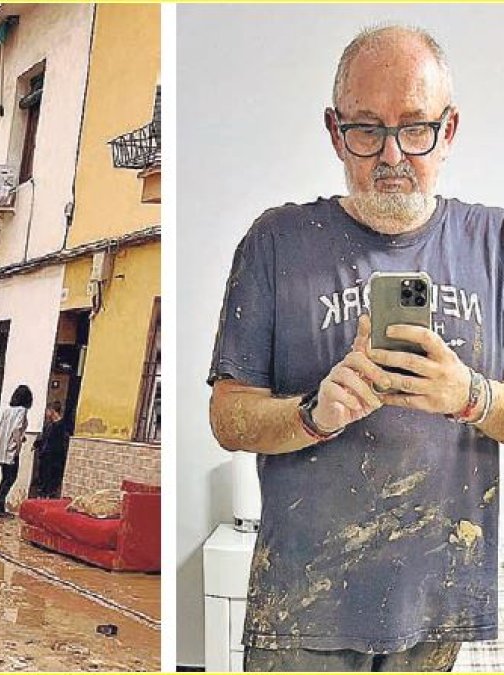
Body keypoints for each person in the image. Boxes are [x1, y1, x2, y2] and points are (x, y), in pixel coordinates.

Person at [209, 25, 504, 672]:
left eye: (416, 128)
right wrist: (313, 413)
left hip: (436, 609)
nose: (392, 155)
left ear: (449, 130)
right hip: (302, 609)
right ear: (334, 130)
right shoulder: (277, 243)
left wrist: (470, 395)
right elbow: (227, 417)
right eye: (367, 129)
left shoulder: (493, 243)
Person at [0, 384, 32, 518]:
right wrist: (18, 445)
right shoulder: (22, 411)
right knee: (10, 478)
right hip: (11, 451)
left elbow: (2, 427)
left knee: (5, 478)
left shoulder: (7, 411)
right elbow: (16, 430)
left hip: (2, 448)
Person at [32, 401, 71, 498]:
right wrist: (36, 445)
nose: (46, 413)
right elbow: (43, 437)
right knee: (42, 481)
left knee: (51, 483)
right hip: (45, 457)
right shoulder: (48, 425)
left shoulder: (62, 426)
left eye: (47, 411)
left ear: (52, 411)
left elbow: (63, 443)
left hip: (55, 459)